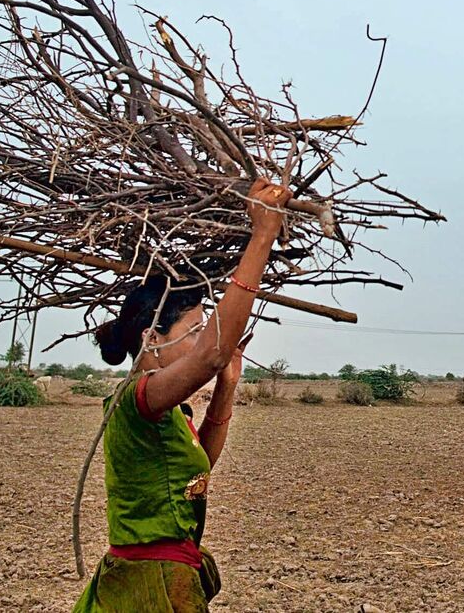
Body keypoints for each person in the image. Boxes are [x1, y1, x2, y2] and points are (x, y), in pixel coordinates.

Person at [72, 179, 291, 613]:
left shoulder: (166, 409)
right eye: (192, 331)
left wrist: (227, 387)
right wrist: (262, 235)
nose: (199, 342)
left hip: (165, 580)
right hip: (146, 590)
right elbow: (210, 355)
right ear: (151, 338)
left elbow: (197, 470)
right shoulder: (138, 398)